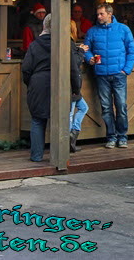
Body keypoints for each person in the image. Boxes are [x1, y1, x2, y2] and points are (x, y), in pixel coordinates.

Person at [21, 15, 84, 162]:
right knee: (61, 120)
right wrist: (76, 88)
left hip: (38, 84)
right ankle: (60, 156)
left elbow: (26, 69)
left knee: (37, 120)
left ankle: (36, 156)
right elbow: (73, 69)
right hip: (61, 82)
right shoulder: (65, 43)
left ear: (45, 26)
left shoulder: (35, 45)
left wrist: (30, 83)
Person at [84, 4, 134, 148]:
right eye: (98, 14)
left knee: (121, 106)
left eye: (101, 14)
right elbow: (85, 49)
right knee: (106, 107)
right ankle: (111, 137)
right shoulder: (92, 31)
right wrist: (90, 59)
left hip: (118, 74)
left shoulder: (123, 29)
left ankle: (122, 136)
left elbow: (132, 51)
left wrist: (126, 70)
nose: (98, 16)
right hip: (101, 74)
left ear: (109, 14)